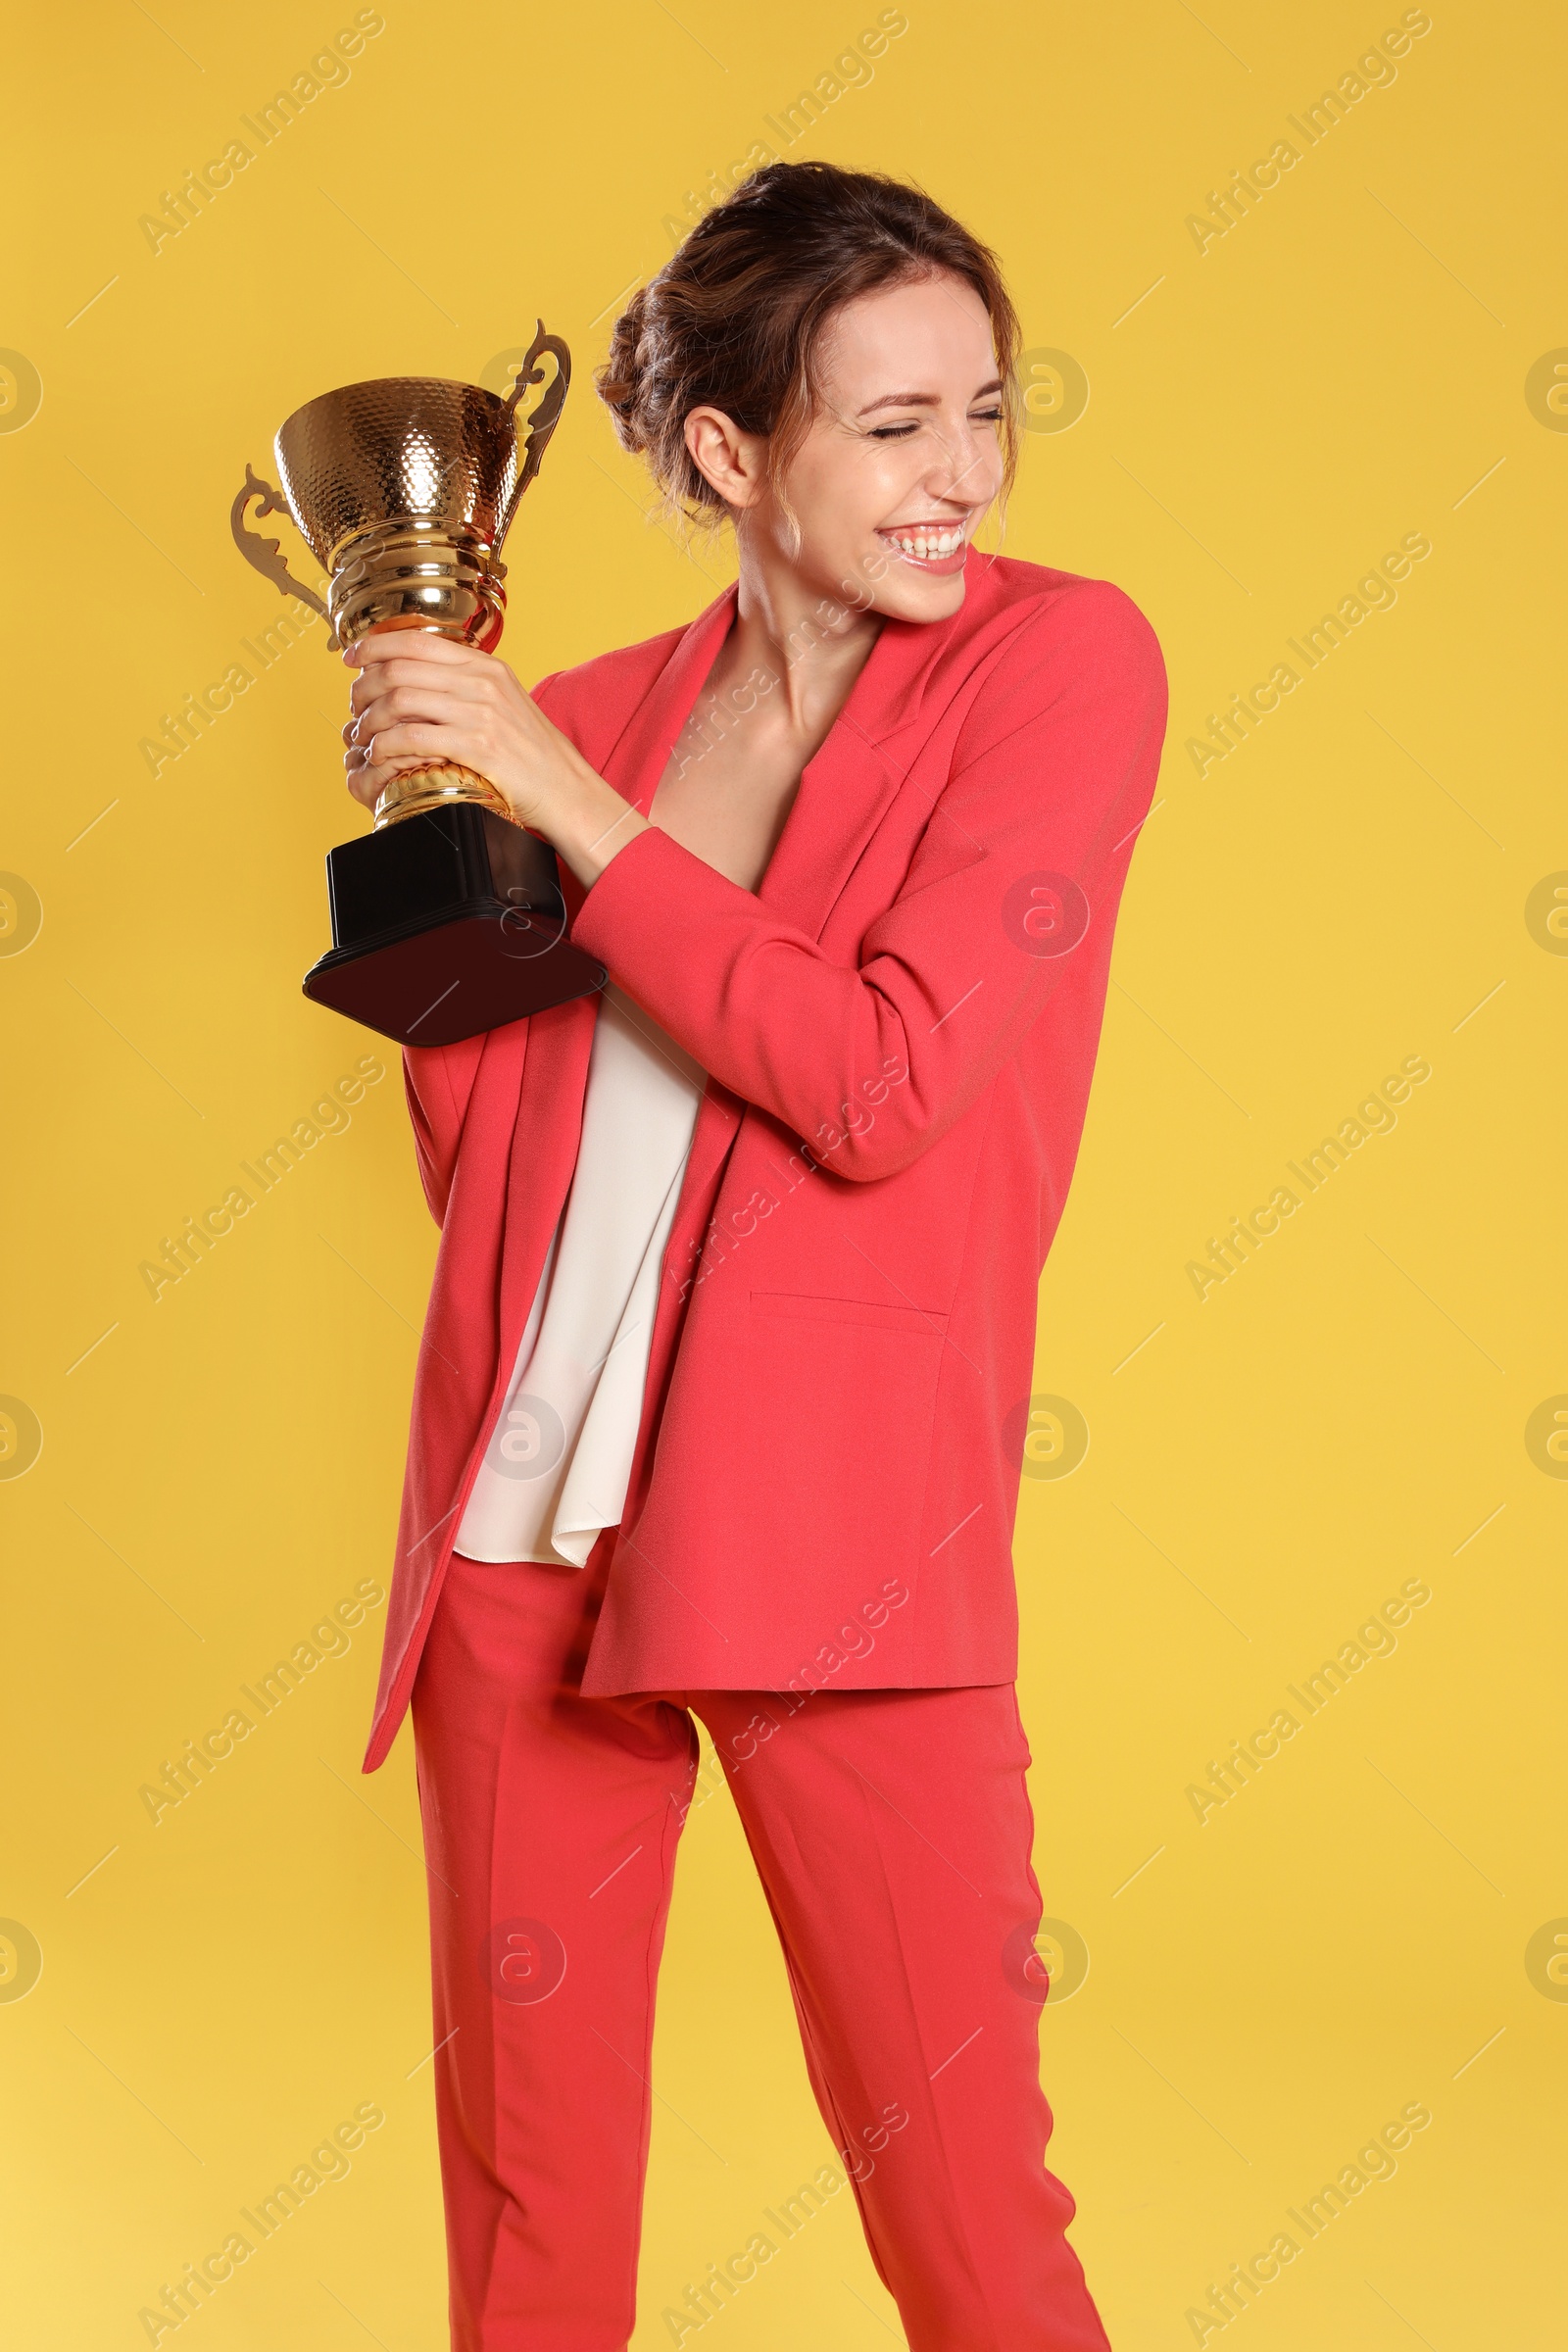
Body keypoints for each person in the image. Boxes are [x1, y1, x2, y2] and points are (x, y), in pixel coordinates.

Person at [346, 159, 1166, 2352]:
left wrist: (570, 812)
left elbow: (881, 1077)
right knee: (526, 2229)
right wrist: (439, 829)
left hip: (838, 1533)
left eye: (982, 411)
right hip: (516, 1524)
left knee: (968, 2229)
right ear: (731, 452)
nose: (956, 477)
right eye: (890, 425)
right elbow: (486, 1123)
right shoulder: (599, 706)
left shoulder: (1057, 666)